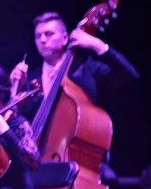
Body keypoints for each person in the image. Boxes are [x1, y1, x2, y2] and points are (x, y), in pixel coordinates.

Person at [10, 11, 139, 118]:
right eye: (38, 36)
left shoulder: (84, 66)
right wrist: (15, 90)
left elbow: (129, 74)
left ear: (65, 38)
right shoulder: (30, 79)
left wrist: (97, 44)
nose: (43, 40)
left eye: (49, 34)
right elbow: (22, 123)